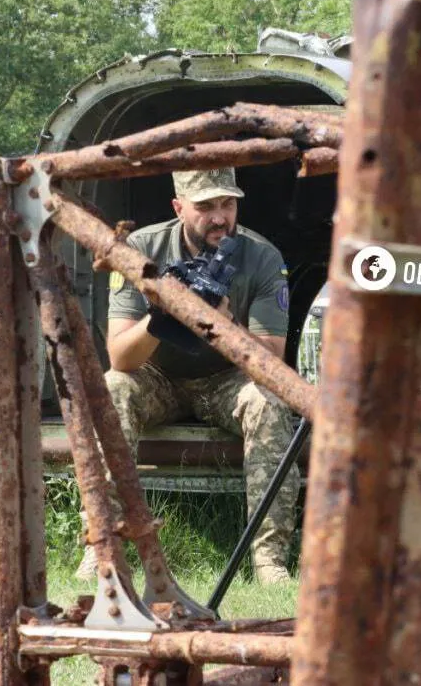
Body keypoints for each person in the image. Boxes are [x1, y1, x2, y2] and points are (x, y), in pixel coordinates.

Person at [75, 167, 300, 584]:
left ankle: (269, 561)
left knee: (268, 401)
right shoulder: (142, 249)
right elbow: (121, 357)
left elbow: (272, 361)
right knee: (113, 389)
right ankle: (102, 547)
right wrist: (164, 315)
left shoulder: (262, 255)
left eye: (228, 204)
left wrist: (223, 321)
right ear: (179, 208)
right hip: (160, 378)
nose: (219, 217)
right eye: (205, 207)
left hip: (228, 378)